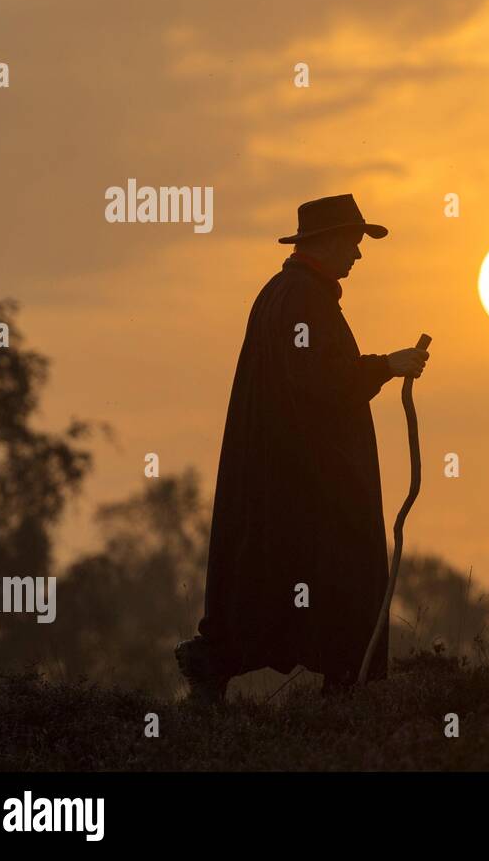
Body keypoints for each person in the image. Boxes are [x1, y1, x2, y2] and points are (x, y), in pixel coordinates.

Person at [175, 194, 429, 702]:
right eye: (353, 243)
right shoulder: (301, 300)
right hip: (311, 483)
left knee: (277, 580)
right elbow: (318, 382)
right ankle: (349, 692)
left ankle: (225, 663)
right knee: (342, 580)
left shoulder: (290, 293)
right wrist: (387, 365)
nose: (357, 255)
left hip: (292, 478)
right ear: (328, 241)